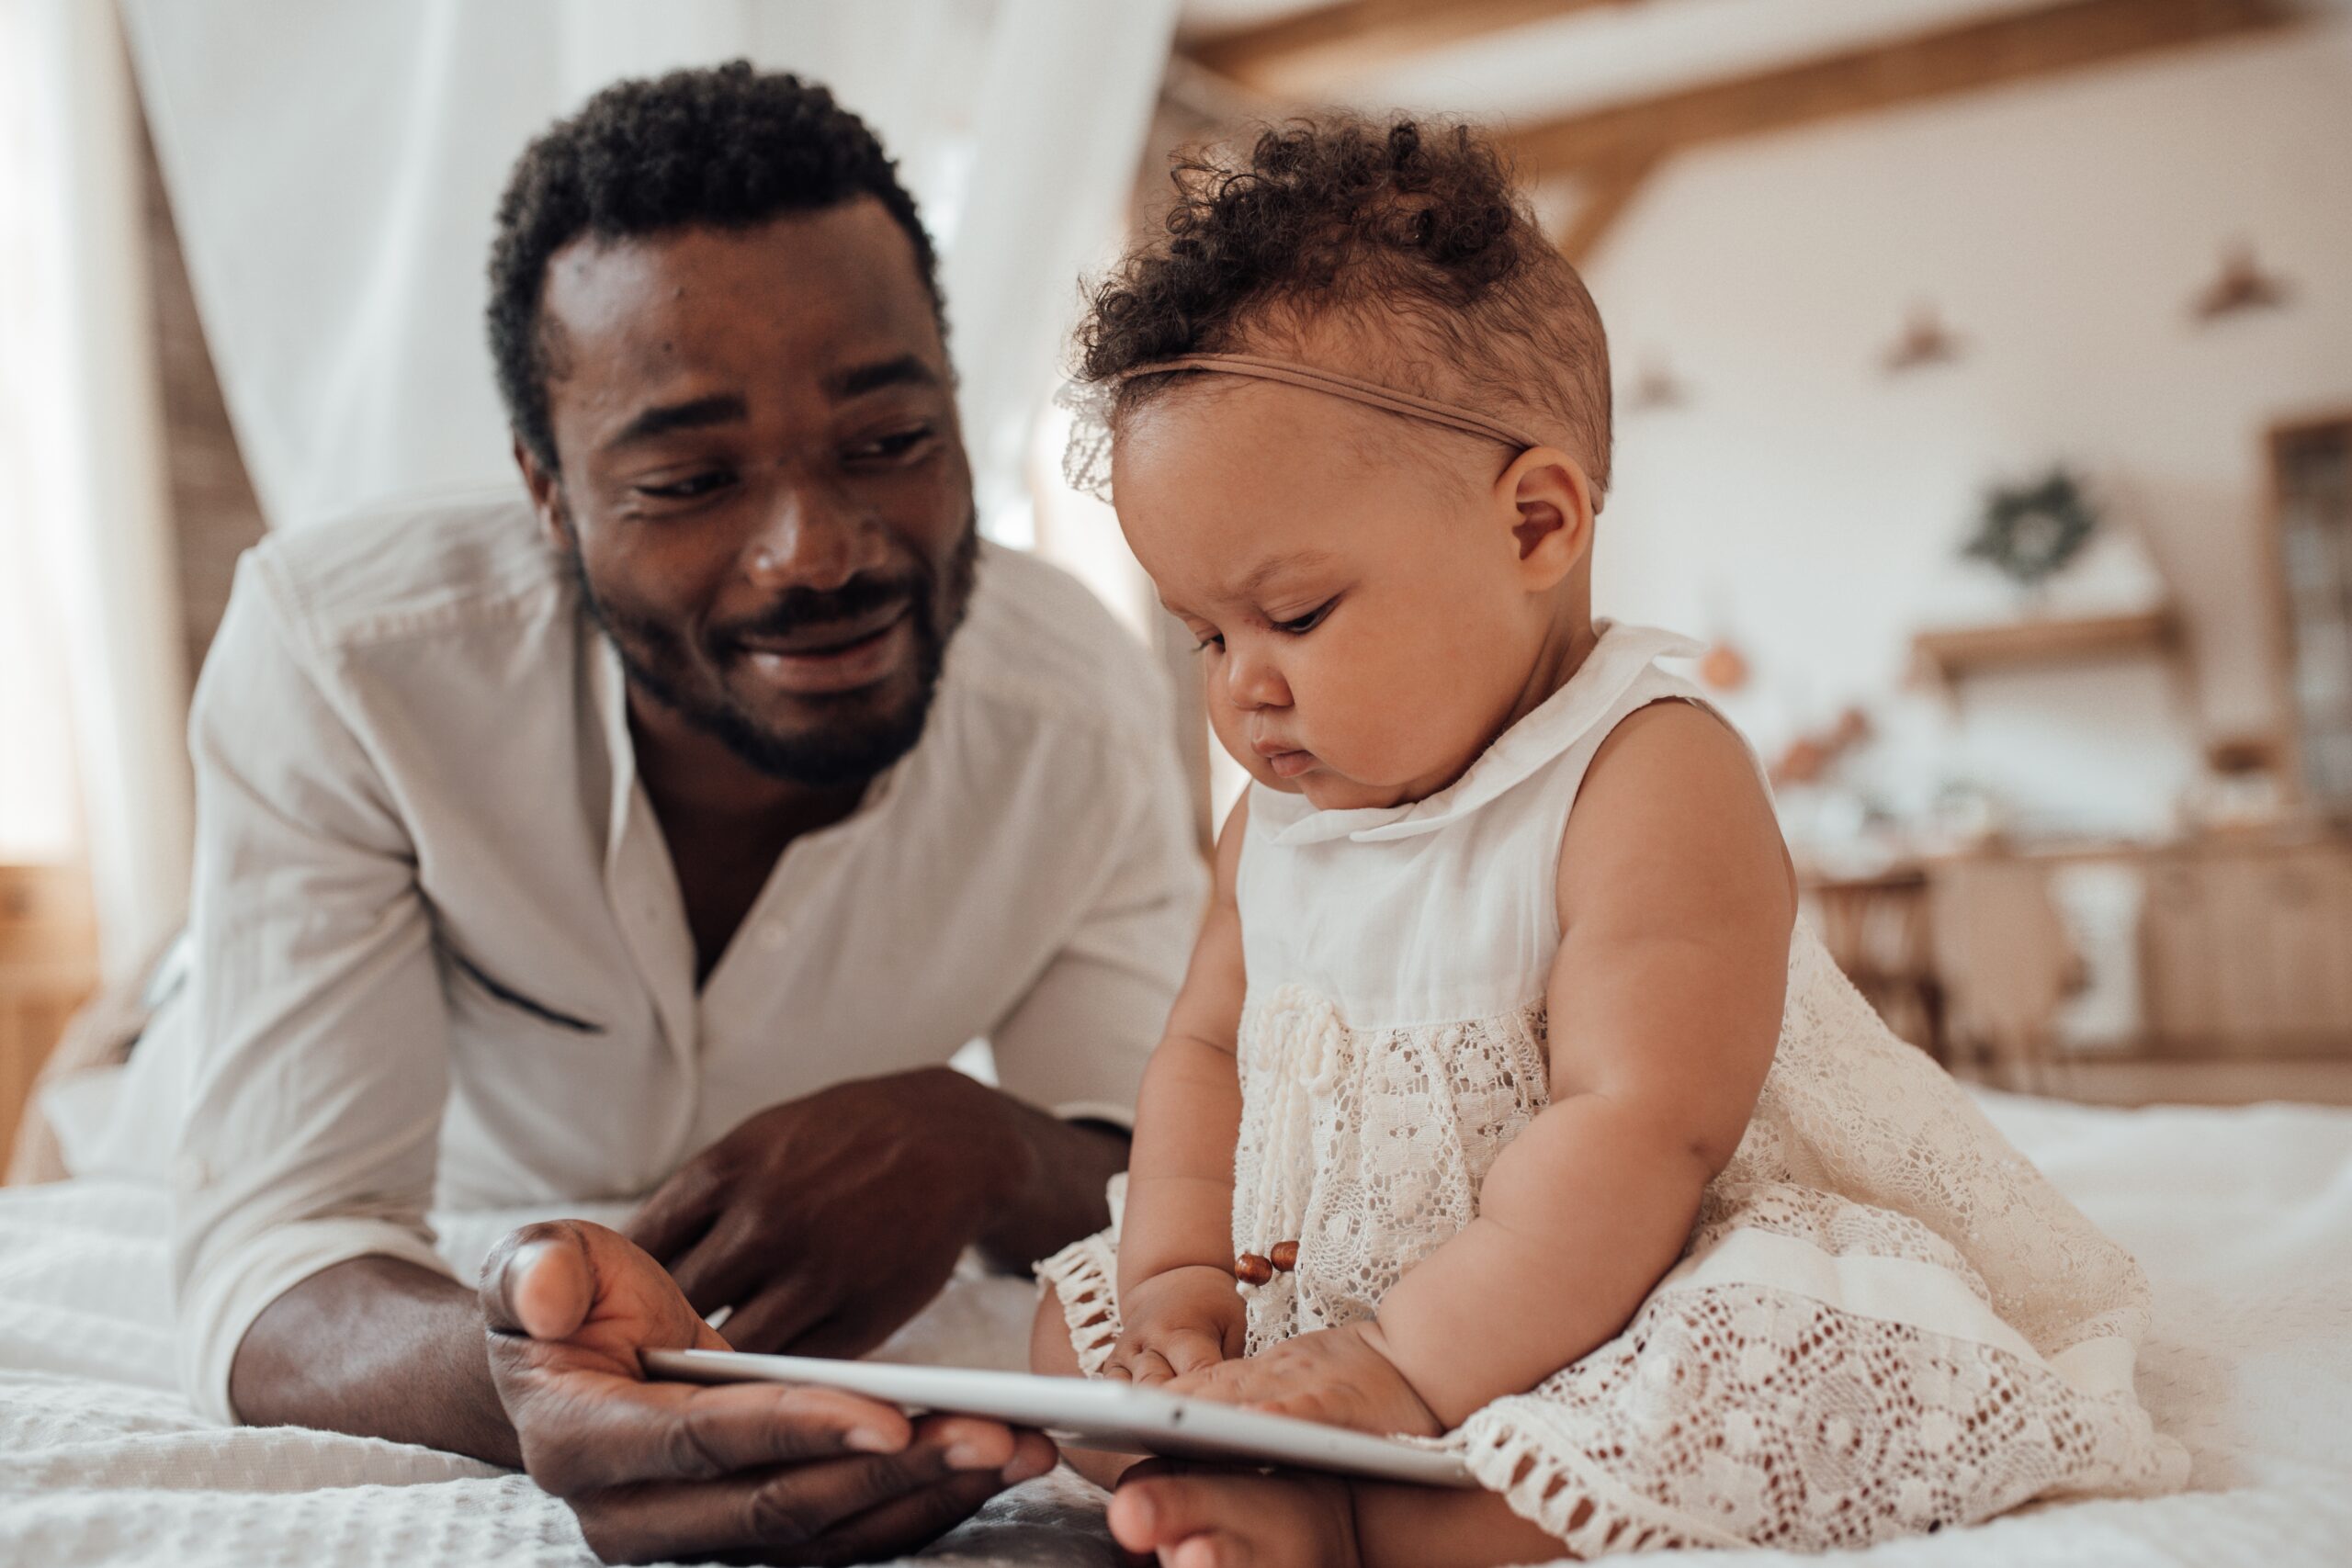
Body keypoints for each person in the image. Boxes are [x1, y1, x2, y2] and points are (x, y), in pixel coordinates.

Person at [1030, 115, 2187, 1565]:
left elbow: (1641, 1129)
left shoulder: (1644, 773)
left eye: (1296, 615)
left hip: (1622, 1266)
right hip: (1321, 1277)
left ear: (1535, 525)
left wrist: (1398, 1367)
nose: (1242, 688)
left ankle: (1363, 1512)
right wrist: (1178, 1289)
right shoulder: (1274, 826)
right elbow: (1207, 1057)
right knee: (1065, 1333)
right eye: (1205, 635)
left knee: (1763, 1376)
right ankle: (1264, 1456)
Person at [130, 63, 1205, 1565]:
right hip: (231, 1093)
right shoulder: (349, 661)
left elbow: (1160, 1168)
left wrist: (982, 1147)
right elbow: (276, 1240)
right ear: (548, 493)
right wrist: (531, 1377)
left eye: (889, 441)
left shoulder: (1073, 710)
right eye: (692, 478)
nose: (815, 552)